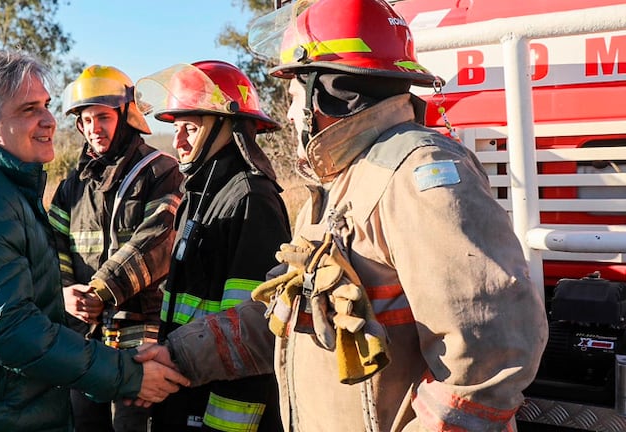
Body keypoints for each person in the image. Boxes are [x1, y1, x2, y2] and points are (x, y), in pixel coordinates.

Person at [243, 1, 549, 431]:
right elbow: (290, 314)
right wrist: (177, 356)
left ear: (329, 92)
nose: (291, 114)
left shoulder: (417, 172)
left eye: (293, 96)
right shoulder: (346, 178)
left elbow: (488, 355)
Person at [0, 51, 189, 432]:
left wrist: (96, 294)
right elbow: (12, 330)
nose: (50, 120)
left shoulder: (14, 186)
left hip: (88, 351)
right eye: (30, 109)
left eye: (47, 106)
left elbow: (155, 239)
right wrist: (72, 297)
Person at [133, 60, 291, 431]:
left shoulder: (252, 199)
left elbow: (255, 330)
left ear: (228, 127)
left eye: (190, 127)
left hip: (221, 413)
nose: (178, 141)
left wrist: (222, 426)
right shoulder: (198, 194)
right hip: (185, 397)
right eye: (176, 128)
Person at [48, 65, 183, 432]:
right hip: (83, 335)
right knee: (84, 420)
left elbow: (155, 241)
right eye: (86, 120)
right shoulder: (71, 186)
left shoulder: (160, 171)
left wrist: (100, 291)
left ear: (126, 115)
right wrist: (64, 294)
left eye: (103, 117)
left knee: (131, 424)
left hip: (140, 331)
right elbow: (53, 247)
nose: (94, 129)